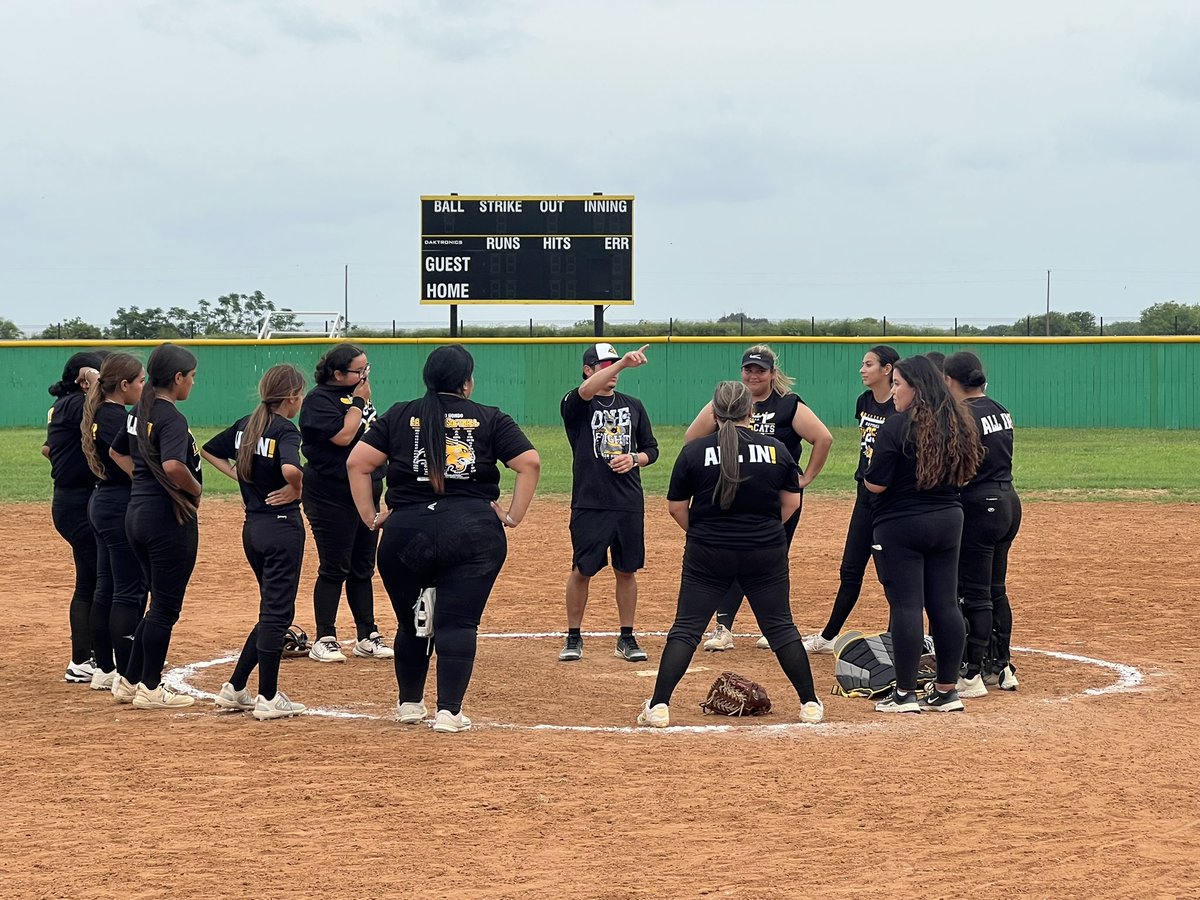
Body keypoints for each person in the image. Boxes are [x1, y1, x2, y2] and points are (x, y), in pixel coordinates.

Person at [347, 345, 540, 733]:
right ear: (466, 382)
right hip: (471, 531)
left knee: (409, 624)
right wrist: (511, 516)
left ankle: (409, 705)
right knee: (459, 624)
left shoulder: (400, 413)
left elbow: (357, 463)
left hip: (406, 532)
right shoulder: (489, 417)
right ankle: (449, 712)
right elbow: (529, 463)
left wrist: (372, 517)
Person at [639, 381, 823, 727]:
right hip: (765, 550)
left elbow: (676, 508)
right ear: (750, 411)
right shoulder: (776, 449)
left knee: (687, 629)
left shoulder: (694, 451)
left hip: (708, 552)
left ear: (714, 412)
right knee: (782, 627)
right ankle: (810, 703)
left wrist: (705, 534)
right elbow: (791, 503)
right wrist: (763, 531)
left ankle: (659, 705)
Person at [684, 344, 833, 651]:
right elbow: (692, 438)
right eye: (748, 369)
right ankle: (723, 628)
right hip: (732, 491)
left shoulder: (788, 404)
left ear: (771, 374)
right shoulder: (730, 402)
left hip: (775, 495)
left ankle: (773, 626)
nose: (753, 375)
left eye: (760, 370)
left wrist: (806, 478)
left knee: (772, 557)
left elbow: (823, 438)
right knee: (732, 555)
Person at [864, 355, 982, 713]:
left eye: (899, 384)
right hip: (948, 519)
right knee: (945, 603)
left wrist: (867, 478)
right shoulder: (960, 422)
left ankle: (904, 693)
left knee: (906, 606)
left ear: (916, 388)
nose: (894, 390)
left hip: (901, 524)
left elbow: (877, 483)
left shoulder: (896, 426)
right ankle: (947, 690)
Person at [201, 364, 310, 720]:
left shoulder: (246, 425)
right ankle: (268, 696)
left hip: (254, 529)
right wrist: (296, 488)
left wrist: (238, 475)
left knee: (273, 611)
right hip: (281, 528)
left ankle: (235, 688)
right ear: (292, 397)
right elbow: (291, 468)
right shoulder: (285, 429)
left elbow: (208, 450)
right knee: (278, 613)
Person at [110, 343, 203, 709]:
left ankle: (129, 680)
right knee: (166, 608)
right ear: (177, 378)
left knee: (156, 604)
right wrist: (195, 490)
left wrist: (143, 481)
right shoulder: (169, 416)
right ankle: (151, 687)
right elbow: (173, 466)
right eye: (192, 377)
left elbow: (117, 452)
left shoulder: (138, 410)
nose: (193, 384)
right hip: (167, 519)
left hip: (137, 514)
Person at [558, 342, 659, 663]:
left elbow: (651, 449)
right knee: (582, 569)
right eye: (602, 365)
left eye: (613, 365)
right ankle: (573, 636)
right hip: (590, 502)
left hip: (628, 501)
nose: (611, 370)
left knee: (626, 570)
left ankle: (626, 637)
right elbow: (586, 392)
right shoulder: (576, 404)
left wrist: (635, 458)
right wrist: (622, 364)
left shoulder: (634, 405)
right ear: (588, 370)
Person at [299, 343, 393, 663]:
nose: (365, 375)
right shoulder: (318, 401)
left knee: (363, 567)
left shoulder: (358, 396)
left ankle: (367, 634)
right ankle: (324, 636)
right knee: (334, 566)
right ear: (337, 374)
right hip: (331, 494)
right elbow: (343, 435)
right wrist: (357, 402)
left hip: (366, 492)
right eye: (358, 370)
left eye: (367, 368)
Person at [804, 345, 900, 653]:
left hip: (892, 499)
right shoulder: (864, 401)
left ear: (887, 370)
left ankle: (896, 635)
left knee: (894, 574)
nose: (862, 369)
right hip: (864, 494)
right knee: (850, 569)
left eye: (869, 364)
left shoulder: (900, 407)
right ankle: (829, 635)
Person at [944, 351, 1022, 696]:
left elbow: (958, 468)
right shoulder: (999, 409)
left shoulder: (962, 415)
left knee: (974, 593)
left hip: (980, 504)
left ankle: (972, 674)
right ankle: (1001, 666)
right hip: (1008, 500)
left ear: (949, 381)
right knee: (995, 589)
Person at [80, 352, 146, 692]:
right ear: (123, 385)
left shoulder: (104, 413)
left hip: (104, 501)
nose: (143, 387)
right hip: (117, 503)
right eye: (140, 381)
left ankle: (106, 666)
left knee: (107, 587)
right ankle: (125, 669)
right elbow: (133, 462)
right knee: (127, 590)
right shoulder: (114, 417)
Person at [43, 351, 105, 683]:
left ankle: (89, 656)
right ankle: (88, 658)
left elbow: (48, 449)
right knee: (96, 580)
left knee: (90, 578)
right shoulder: (77, 404)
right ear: (84, 378)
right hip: (78, 503)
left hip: (73, 500)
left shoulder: (65, 405)